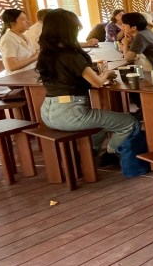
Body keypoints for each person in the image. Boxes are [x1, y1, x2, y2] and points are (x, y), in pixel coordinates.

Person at [36, 8, 137, 164]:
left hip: (48, 112)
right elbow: (97, 82)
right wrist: (107, 74)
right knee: (129, 122)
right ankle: (110, 154)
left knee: (103, 121)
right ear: (67, 30)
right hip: (71, 113)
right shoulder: (72, 55)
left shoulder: (46, 54)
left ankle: (89, 153)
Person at [0, 9, 38, 74]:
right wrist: (34, 58)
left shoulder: (24, 36)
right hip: (19, 80)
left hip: (31, 76)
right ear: (12, 23)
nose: (28, 22)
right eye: (23, 19)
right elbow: (11, 66)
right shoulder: (8, 39)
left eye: (27, 19)